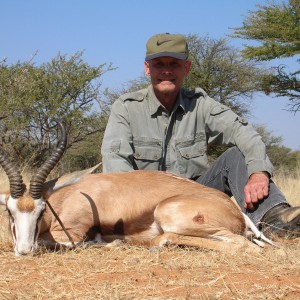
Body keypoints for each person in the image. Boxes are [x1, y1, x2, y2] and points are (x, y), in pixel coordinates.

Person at [101, 33, 300, 238]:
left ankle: (275, 220)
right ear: (147, 68)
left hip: (195, 196)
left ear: (186, 68)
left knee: (235, 156)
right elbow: (116, 167)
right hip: (144, 205)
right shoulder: (126, 108)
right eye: (159, 64)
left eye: (174, 64)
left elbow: (244, 133)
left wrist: (259, 173)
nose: (167, 71)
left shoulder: (201, 104)